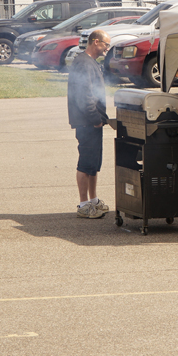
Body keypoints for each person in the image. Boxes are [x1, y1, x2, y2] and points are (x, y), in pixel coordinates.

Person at [68, 28, 111, 219]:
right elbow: (84, 96)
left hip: (94, 122)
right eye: (106, 45)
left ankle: (93, 199)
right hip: (86, 122)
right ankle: (84, 204)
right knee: (85, 163)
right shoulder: (83, 63)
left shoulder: (91, 62)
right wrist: (95, 119)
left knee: (94, 163)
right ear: (96, 42)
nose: (107, 49)